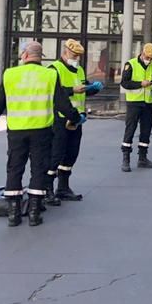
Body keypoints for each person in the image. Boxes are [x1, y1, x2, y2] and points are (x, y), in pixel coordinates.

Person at [0, 41, 81, 227]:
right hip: (42, 131)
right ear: (41, 56)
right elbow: (62, 103)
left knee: (14, 169)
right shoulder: (49, 75)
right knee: (38, 170)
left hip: (16, 131)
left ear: (24, 55)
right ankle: (33, 213)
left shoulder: (10, 74)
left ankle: (13, 215)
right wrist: (76, 117)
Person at [45, 39, 103, 205]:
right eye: (73, 55)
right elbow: (52, 93)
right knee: (55, 155)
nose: (76, 58)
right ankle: (47, 189)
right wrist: (72, 90)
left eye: (78, 56)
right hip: (60, 119)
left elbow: (82, 92)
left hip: (76, 119)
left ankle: (63, 188)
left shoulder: (79, 71)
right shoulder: (54, 69)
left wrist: (93, 89)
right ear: (65, 52)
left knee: (71, 154)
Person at [120, 42, 152, 172]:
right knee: (130, 129)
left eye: (151, 58)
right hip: (134, 103)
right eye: (147, 57)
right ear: (142, 53)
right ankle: (126, 159)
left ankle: (142, 158)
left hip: (148, 103)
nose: (149, 61)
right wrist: (140, 84)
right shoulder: (131, 64)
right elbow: (124, 83)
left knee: (146, 130)